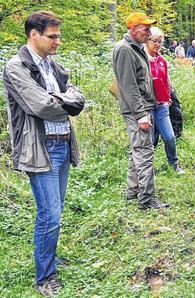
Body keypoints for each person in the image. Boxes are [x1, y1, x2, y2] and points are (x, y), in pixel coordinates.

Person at [3, 11, 85, 296]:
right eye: (53, 36)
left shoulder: (53, 66)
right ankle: (45, 278)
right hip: (42, 148)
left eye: (59, 35)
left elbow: (77, 94)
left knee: (56, 210)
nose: (58, 41)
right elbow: (40, 106)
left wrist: (62, 98)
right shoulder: (16, 67)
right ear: (33, 34)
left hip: (62, 142)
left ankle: (49, 258)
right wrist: (66, 100)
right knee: (50, 215)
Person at [112, 12, 169, 210]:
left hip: (144, 107)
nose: (149, 32)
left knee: (137, 149)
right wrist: (141, 114)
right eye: (145, 29)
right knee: (145, 152)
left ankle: (132, 190)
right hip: (138, 111)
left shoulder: (136, 48)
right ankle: (147, 200)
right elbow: (128, 86)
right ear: (133, 29)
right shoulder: (125, 50)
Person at [145, 27, 185, 173]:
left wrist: (168, 99)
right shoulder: (142, 60)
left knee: (169, 137)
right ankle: (147, 168)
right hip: (147, 106)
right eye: (155, 41)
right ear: (147, 41)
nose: (157, 44)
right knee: (149, 141)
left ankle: (173, 163)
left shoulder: (161, 60)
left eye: (160, 42)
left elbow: (166, 81)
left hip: (162, 105)